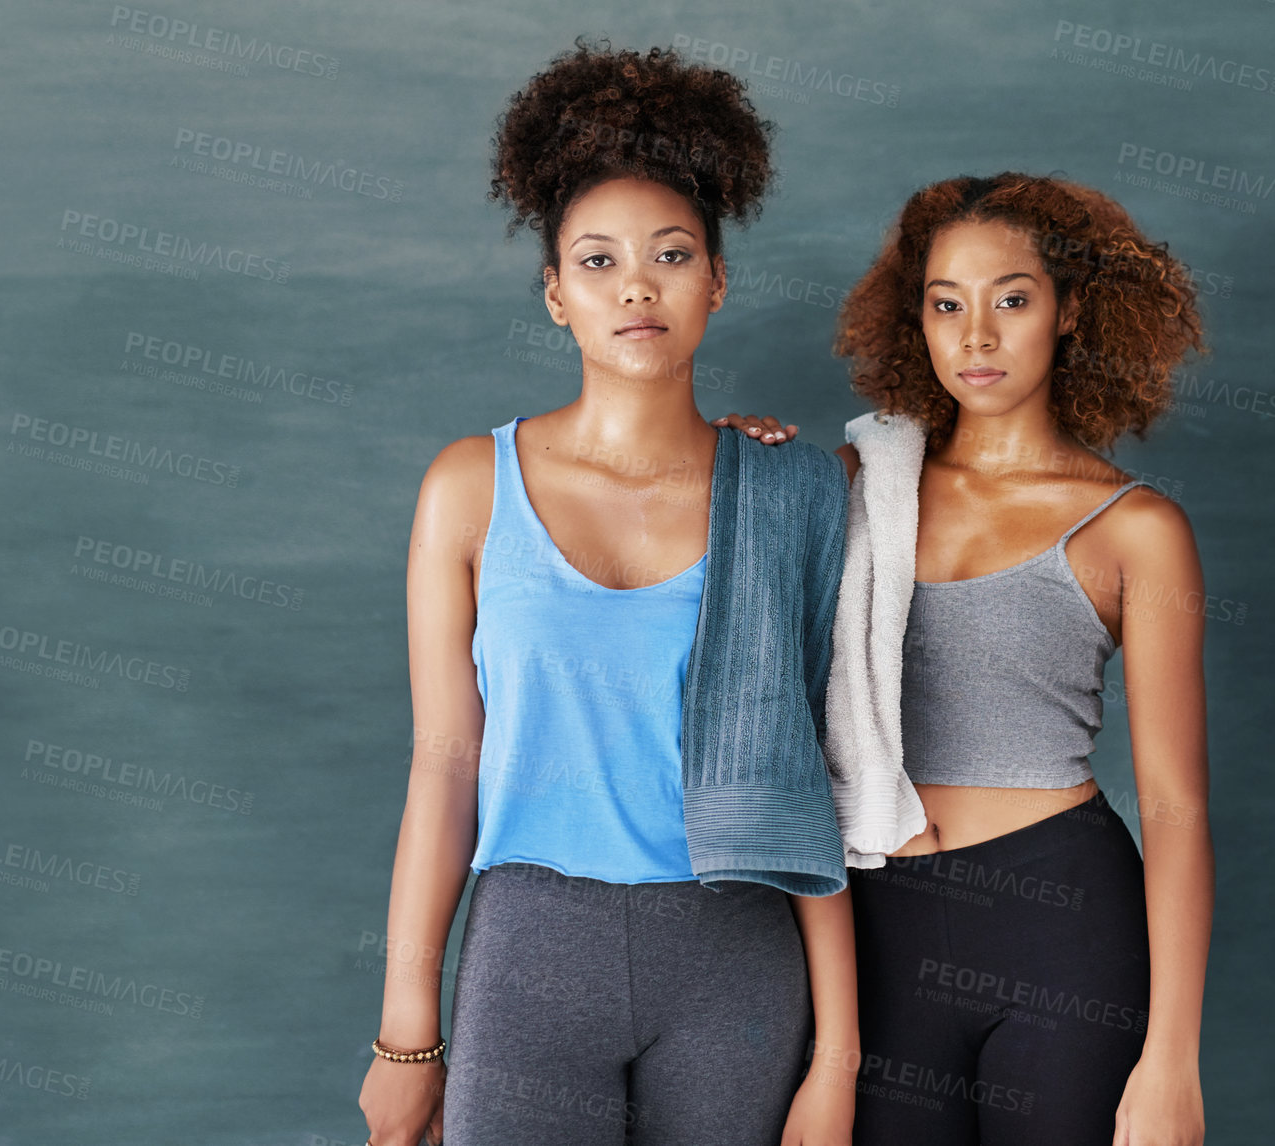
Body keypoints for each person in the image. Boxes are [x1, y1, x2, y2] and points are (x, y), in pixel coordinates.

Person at [358, 40, 860, 1146]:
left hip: (737, 954)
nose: (636, 285)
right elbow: (443, 766)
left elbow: (823, 768)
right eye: (596, 261)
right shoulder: (466, 488)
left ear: (717, 283)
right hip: (532, 951)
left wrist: (838, 1056)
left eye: (672, 255)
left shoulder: (788, 490)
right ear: (553, 295)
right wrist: (407, 1034)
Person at [714, 172, 1213, 1145]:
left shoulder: (1135, 528)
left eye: (1010, 300)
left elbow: (1177, 808)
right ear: (918, 320)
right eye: (946, 304)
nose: (975, 336)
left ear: (1071, 310)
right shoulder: (859, 484)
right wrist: (728, 470)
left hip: (1062, 923)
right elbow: (729, 621)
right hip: (881, 925)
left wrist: (1172, 1062)